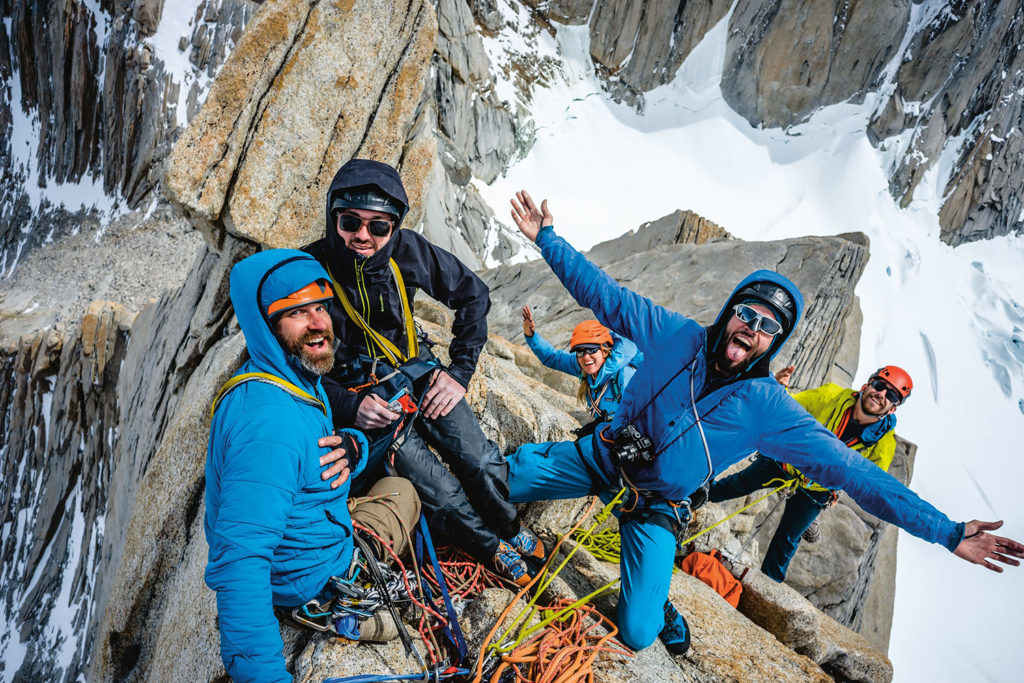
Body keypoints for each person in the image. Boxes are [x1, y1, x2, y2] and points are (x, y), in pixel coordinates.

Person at [503, 190, 1024, 657]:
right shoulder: (675, 334)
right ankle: (534, 471)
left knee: (638, 633)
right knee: (501, 481)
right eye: (747, 315)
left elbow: (858, 474)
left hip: (654, 507)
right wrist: (546, 239)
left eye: (767, 327)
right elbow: (605, 295)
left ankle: (657, 604)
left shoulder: (768, 406)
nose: (751, 330)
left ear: (774, 343)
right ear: (730, 312)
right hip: (604, 454)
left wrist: (948, 532)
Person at [304, 159, 541, 587]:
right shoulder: (309, 272)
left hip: (421, 376)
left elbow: (474, 296)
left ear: (394, 227)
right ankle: (492, 548)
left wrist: (459, 373)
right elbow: (294, 367)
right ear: (332, 217)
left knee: (480, 460)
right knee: (440, 492)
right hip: (369, 403)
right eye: (350, 222)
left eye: (379, 226)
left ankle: (510, 526)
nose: (363, 235)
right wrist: (351, 406)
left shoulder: (407, 250)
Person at [204, 249, 421, 683]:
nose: (319, 322)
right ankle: (334, 613)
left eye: (320, 306)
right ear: (266, 326)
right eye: (297, 312)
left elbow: (314, 449)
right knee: (412, 628)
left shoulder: (293, 378)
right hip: (309, 585)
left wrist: (353, 445)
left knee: (400, 489)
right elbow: (240, 563)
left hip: (322, 541)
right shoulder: (270, 424)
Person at [709, 365, 914, 581]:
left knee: (787, 540)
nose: (881, 394)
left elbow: (867, 482)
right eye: (879, 385)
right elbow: (793, 406)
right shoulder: (832, 396)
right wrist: (779, 390)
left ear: (893, 408)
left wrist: (838, 485)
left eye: (890, 395)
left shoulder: (883, 445)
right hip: (788, 461)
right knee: (737, 484)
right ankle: (690, 500)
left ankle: (766, 590)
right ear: (868, 384)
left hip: (818, 488)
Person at [522, 306, 642, 429]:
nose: (586, 357)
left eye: (591, 350)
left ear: (604, 351)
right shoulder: (582, 366)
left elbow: (645, 415)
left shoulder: (624, 375)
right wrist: (531, 336)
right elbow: (553, 358)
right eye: (580, 351)